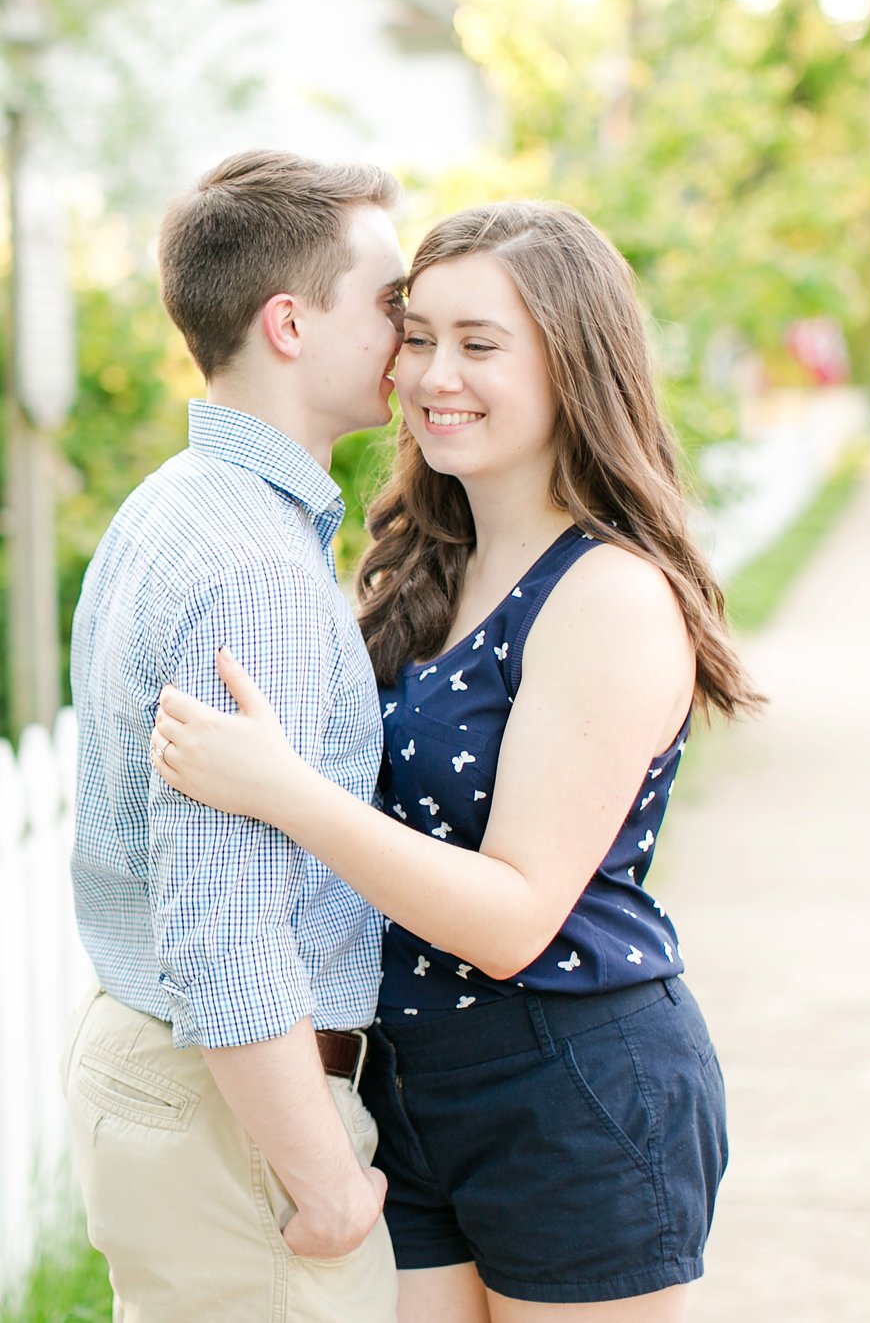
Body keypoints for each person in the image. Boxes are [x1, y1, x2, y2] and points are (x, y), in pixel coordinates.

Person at [150, 200, 762, 1321]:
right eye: (416, 334)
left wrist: (281, 793)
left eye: (480, 344)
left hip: (569, 1085)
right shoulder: (425, 570)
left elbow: (512, 917)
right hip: (412, 1084)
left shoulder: (608, 596)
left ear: (573, 366)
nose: (432, 375)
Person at [64, 149, 408, 1322]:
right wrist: (325, 1192)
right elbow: (220, 924)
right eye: (388, 304)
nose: (407, 339)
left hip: (169, 1081)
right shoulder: (255, 572)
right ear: (288, 324)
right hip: (240, 1120)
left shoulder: (174, 502)